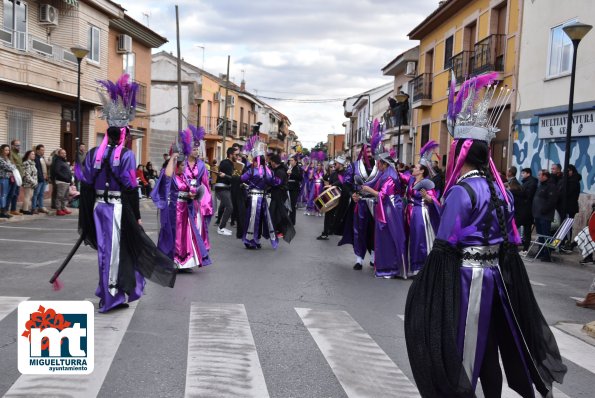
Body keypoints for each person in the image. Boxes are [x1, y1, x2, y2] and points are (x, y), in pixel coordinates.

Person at [405, 73, 566, 397]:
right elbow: (511, 242)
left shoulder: (461, 192)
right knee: (489, 347)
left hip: (467, 282)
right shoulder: (499, 190)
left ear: (460, 155)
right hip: (497, 280)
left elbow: (445, 246)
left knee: (462, 348)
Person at [78, 74, 176, 313]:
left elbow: (86, 181)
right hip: (115, 209)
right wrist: (135, 214)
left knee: (106, 250)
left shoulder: (93, 154)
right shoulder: (126, 156)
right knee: (113, 252)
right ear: (123, 134)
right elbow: (130, 186)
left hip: (98, 207)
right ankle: (112, 295)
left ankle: (109, 290)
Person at [151, 125, 213, 270]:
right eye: (183, 164)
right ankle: (173, 261)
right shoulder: (171, 175)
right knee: (174, 236)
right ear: (177, 165)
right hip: (174, 210)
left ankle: (185, 262)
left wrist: (194, 194)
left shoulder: (184, 175)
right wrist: (173, 158)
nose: (185, 166)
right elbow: (166, 176)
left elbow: (192, 188)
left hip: (186, 209)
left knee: (186, 237)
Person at [339, 119, 383, 270]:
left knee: (374, 231)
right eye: (368, 150)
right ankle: (358, 259)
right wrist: (352, 194)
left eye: (373, 150)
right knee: (359, 231)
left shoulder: (380, 167)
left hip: (376, 204)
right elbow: (346, 183)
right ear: (363, 150)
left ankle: (374, 257)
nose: (370, 153)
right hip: (360, 203)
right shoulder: (354, 166)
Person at [359, 150, 407, 278]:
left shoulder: (390, 176)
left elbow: (383, 195)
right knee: (387, 237)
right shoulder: (386, 174)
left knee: (389, 238)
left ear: (384, 164)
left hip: (391, 210)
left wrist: (369, 190)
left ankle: (390, 268)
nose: (377, 166)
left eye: (378, 163)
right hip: (388, 208)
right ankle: (387, 266)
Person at [405, 141, 441, 275]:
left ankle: (421, 268)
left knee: (420, 239)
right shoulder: (411, 181)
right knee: (411, 239)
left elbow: (434, 200)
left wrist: (426, 196)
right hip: (410, 213)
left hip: (420, 214)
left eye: (416, 167)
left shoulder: (426, 184)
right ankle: (412, 267)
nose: (413, 168)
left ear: (421, 170)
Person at [240, 135, 278, 250]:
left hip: (253, 197)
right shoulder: (268, 172)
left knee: (251, 219)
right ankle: (256, 240)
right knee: (260, 220)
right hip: (262, 198)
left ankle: (250, 240)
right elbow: (273, 182)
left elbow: (242, 179)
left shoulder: (252, 170)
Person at [268, 153, 296, 242]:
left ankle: (280, 231)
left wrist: (268, 183)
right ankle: (276, 230)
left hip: (278, 195)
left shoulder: (279, 171)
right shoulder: (278, 170)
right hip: (277, 195)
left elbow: (276, 183)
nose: (270, 163)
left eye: (271, 162)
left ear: (273, 162)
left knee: (277, 213)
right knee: (276, 213)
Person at [532, 170, 558, 262]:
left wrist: (544, 210)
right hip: (538, 215)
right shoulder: (541, 185)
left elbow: (552, 201)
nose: (538, 176)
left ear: (545, 176)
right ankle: (540, 252)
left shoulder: (551, 186)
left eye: (540, 175)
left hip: (545, 216)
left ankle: (547, 254)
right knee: (540, 235)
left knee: (545, 235)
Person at [214, 147, 238, 236]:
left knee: (227, 206)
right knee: (230, 207)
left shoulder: (229, 163)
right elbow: (231, 178)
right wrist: (236, 178)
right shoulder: (227, 164)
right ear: (231, 155)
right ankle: (221, 228)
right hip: (222, 188)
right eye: (236, 155)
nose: (237, 157)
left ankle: (221, 226)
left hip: (226, 188)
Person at [519, 168, 538, 252]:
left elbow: (528, 195)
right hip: (524, 209)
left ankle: (525, 248)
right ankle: (522, 245)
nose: (521, 174)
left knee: (527, 229)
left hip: (527, 210)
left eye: (523, 173)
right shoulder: (526, 182)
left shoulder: (532, 183)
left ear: (528, 174)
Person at [51, 148, 72, 216]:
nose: (64, 154)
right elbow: (57, 171)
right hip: (61, 181)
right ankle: (59, 209)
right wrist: (65, 177)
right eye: (62, 153)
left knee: (65, 197)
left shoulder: (64, 161)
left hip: (67, 181)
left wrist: (70, 179)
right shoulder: (58, 161)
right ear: (59, 154)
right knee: (60, 196)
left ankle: (63, 208)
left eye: (65, 153)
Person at [0, 144, 16, 218]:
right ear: (2, 150)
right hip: (2, 178)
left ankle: (5, 210)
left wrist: (12, 166)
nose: (7, 151)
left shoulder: (7, 158)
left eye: (8, 150)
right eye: (6, 150)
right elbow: (9, 167)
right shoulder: (1, 159)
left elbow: (12, 166)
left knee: (6, 194)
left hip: (8, 178)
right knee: (3, 195)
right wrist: (13, 166)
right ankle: (2, 211)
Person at [32, 144, 49, 214]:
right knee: (36, 194)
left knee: (41, 194)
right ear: (37, 150)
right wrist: (40, 177)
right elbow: (37, 170)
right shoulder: (35, 158)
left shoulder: (42, 158)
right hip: (39, 179)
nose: (43, 151)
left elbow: (46, 167)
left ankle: (41, 207)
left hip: (44, 178)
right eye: (42, 150)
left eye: (44, 150)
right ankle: (34, 208)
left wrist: (46, 176)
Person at [8, 139, 23, 216]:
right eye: (17, 145)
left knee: (16, 194)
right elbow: (12, 165)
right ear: (12, 146)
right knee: (12, 193)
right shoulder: (11, 154)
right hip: (13, 177)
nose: (19, 147)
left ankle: (13, 209)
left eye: (19, 145)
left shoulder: (18, 154)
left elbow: (20, 164)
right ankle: (7, 210)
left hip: (19, 176)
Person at [287, 154, 303, 225]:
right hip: (288, 188)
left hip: (294, 189)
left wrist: (291, 174)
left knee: (292, 205)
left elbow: (300, 178)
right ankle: (287, 219)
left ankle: (292, 221)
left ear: (295, 161)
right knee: (287, 204)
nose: (290, 161)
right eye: (290, 160)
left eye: (292, 160)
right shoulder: (289, 167)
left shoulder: (298, 168)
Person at [21, 150, 38, 215]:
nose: (34, 155)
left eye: (34, 154)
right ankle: (25, 210)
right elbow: (26, 174)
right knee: (27, 196)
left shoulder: (32, 163)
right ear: (28, 155)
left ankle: (23, 208)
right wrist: (33, 181)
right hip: (28, 182)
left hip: (33, 183)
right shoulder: (26, 163)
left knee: (30, 196)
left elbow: (34, 174)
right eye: (32, 154)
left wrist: (35, 182)